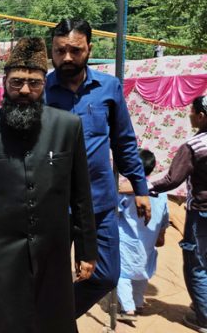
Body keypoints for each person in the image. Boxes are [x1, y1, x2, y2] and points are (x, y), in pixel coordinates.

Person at [0, 37, 98, 333]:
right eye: (17, 82)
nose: (24, 90)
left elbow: (82, 195)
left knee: (51, 323)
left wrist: (86, 249)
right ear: (4, 82)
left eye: (34, 83)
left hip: (52, 253)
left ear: (44, 85)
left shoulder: (67, 127)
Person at [45, 18, 151, 317]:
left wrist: (140, 188)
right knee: (45, 277)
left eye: (75, 50)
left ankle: (55, 319)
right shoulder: (41, 90)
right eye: (59, 50)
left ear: (89, 49)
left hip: (98, 202)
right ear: (51, 51)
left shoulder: (109, 88)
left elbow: (124, 142)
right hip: (52, 203)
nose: (66, 57)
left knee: (105, 275)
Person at [146, 96, 207, 332]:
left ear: (201, 116)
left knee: (197, 266)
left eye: (192, 111)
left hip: (201, 214)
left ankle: (203, 319)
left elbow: (172, 180)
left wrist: (144, 187)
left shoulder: (194, 146)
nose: (189, 115)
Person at [116, 149, 169, 322]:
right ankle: (138, 303)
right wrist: (161, 235)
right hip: (148, 242)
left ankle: (128, 309)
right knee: (142, 273)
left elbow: (115, 210)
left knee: (121, 274)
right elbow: (164, 218)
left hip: (127, 240)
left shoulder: (127, 192)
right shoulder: (161, 193)